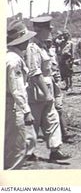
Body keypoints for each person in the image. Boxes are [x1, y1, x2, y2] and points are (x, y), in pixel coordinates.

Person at [25, 16, 71, 161]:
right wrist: (46, 93)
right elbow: (34, 72)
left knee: (52, 119)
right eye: (48, 28)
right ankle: (28, 153)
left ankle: (55, 149)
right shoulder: (32, 48)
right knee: (34, 122)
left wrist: (52, 91)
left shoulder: (43, 46)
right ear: (39, 30)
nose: (50, 31)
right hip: (37, 91)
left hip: (48, 88)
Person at [5, 20, 37, 170]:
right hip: (13, 106)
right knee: (16, 149)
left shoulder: (8, 56)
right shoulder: (14, 60)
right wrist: (26, 111)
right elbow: (17, 89)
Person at [43, 35, 75, 144]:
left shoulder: (52, 53)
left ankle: (64, 134)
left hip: (54, 84)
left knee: (59, 108)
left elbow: (55, 67)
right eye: (46, 41)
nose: (49, 43)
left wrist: (57, 77)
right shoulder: (39, 53)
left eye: (49, 42)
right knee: (44, 111)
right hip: (44, 85)